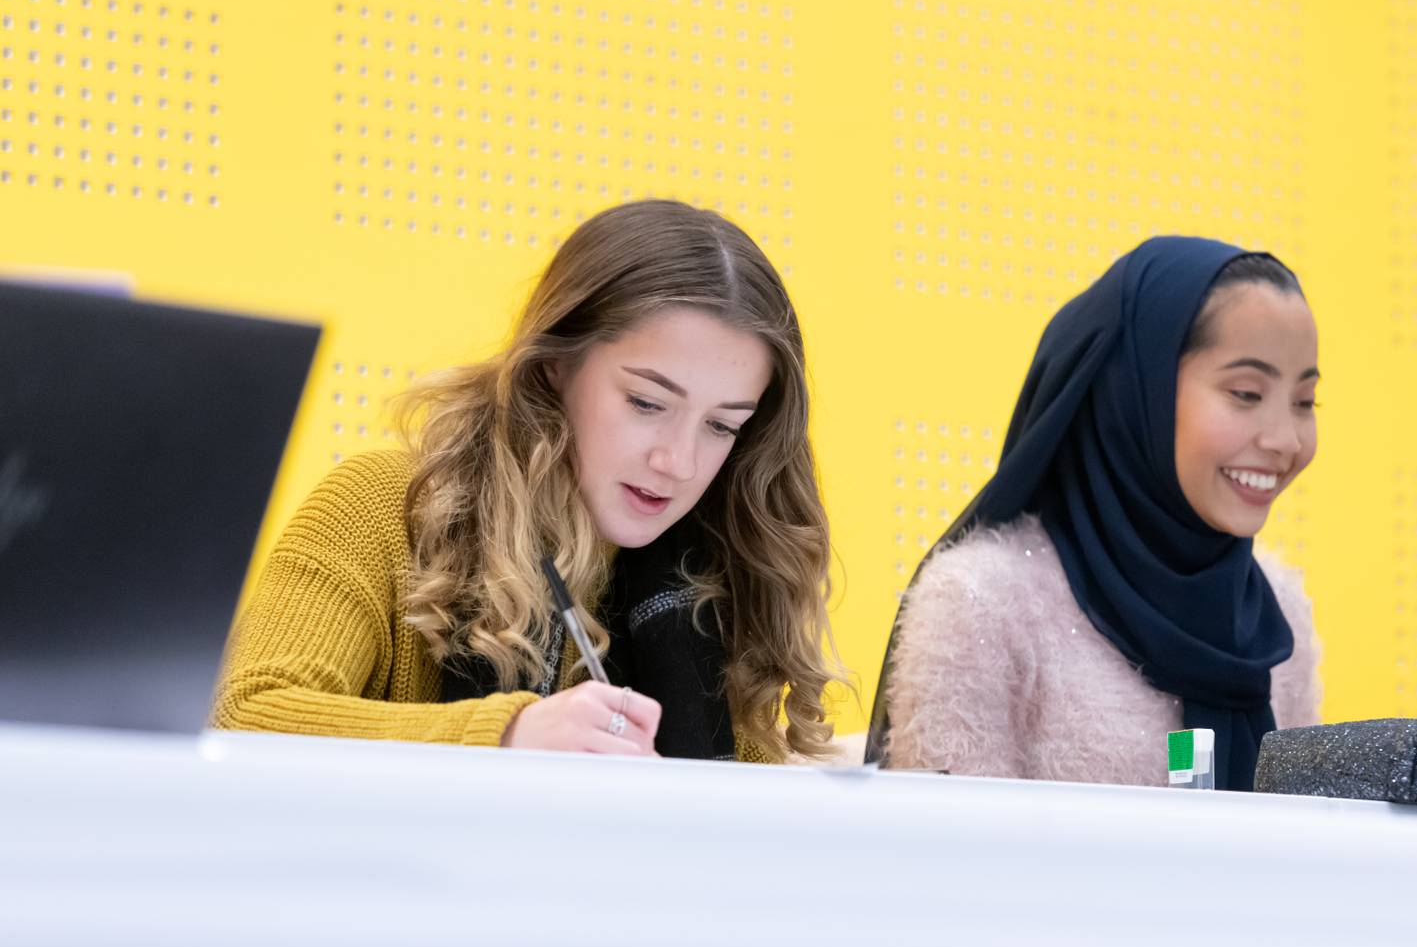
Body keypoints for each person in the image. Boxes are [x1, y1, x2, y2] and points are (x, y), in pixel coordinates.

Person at [213, 199, 838, 760]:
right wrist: (510, 735)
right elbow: (243, 715)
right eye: (647, 404)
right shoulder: (382, 505)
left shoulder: (711, 580)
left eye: (722, 427)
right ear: (552, 367)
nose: (678, 462)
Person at [866, 238, 1322, 790]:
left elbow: (1299, 857)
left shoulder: (1277, 615)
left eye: (1305, 402)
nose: (1285, 440)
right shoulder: (981, 604)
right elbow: (954, 866)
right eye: (1247, 393)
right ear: (1137, 390)